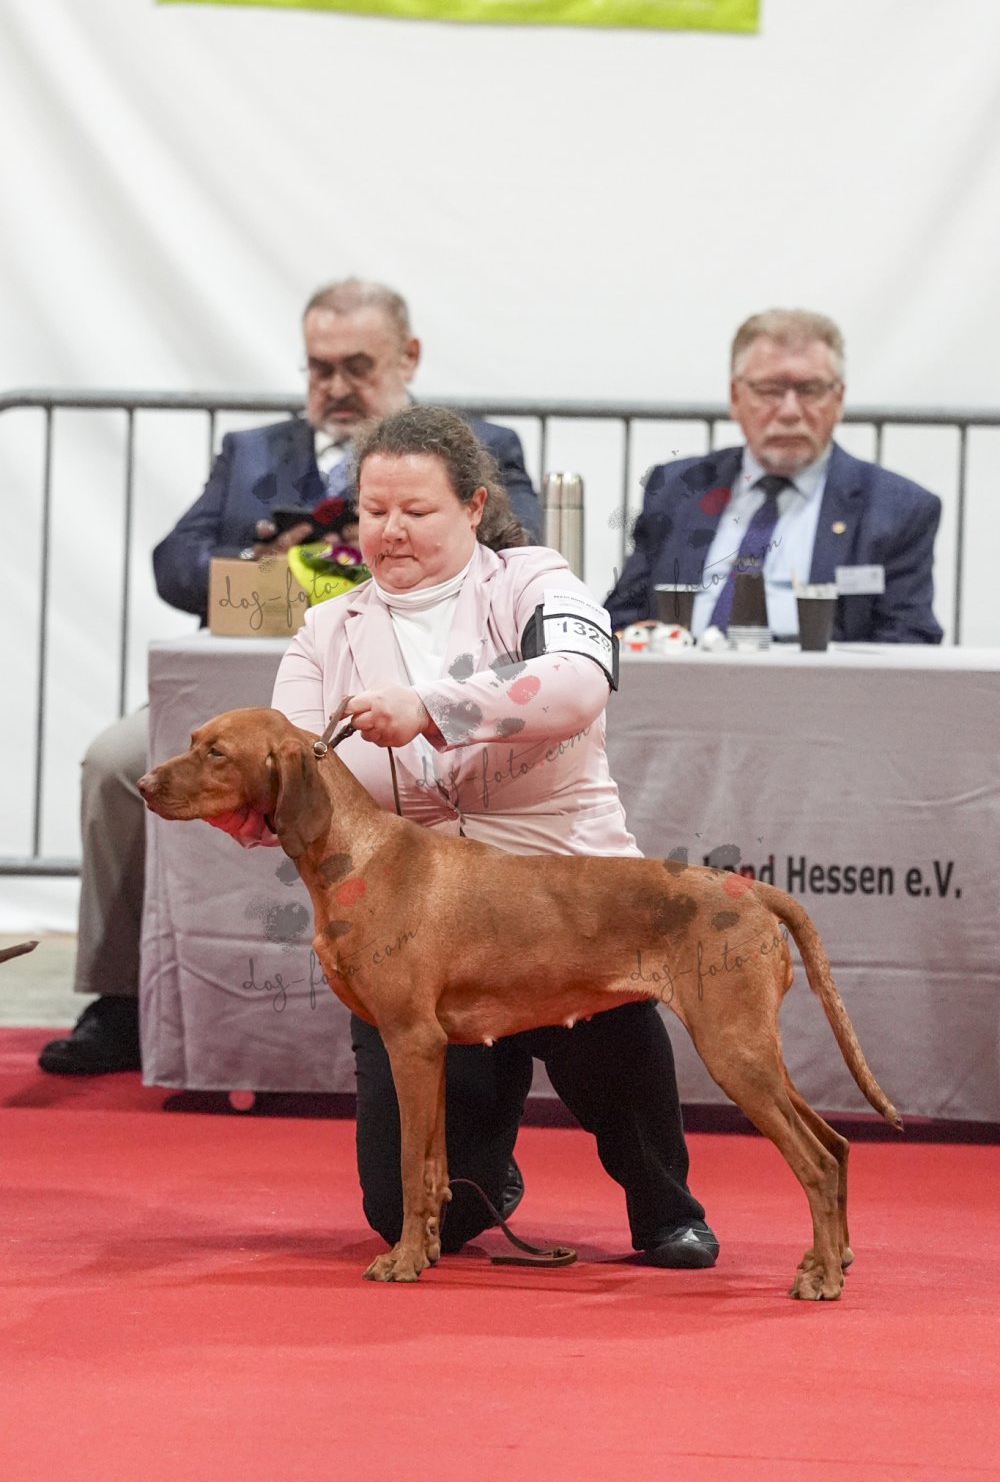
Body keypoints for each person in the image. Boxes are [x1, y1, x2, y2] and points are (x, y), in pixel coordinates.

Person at [224, 404, 717, 1269]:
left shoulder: (538, 582)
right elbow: (295, 769)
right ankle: (486, 1180)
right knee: (401, 1216)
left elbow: (577, 682)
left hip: (564, 894)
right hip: (422, 928)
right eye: (375, 510)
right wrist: (253, 808)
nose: (392, 530)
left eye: (417, 510)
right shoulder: (325, 631)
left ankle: (663, 1202)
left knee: (614, 1042)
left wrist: (431, 707)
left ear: (474, 506)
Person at [38, 280, 542, 1076]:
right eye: (318, 368)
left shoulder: (472, 444)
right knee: (114, 762)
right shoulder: (253, 452)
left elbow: (522, 543)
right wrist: (268, 568)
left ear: (409, 357)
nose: (335, 386)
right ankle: (119, 998)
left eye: (356, 366)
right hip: (235, 692)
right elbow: (174, 563)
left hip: (407, 685)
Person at [605, 308, 944, 644]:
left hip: (818, 679)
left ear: (838, 399)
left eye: (810, 390)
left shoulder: (895, 510)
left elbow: (908, 642)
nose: (790, 412)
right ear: (735, 397)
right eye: (769, 390)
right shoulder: (679, 489)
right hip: (682, 672)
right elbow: (621, 618)